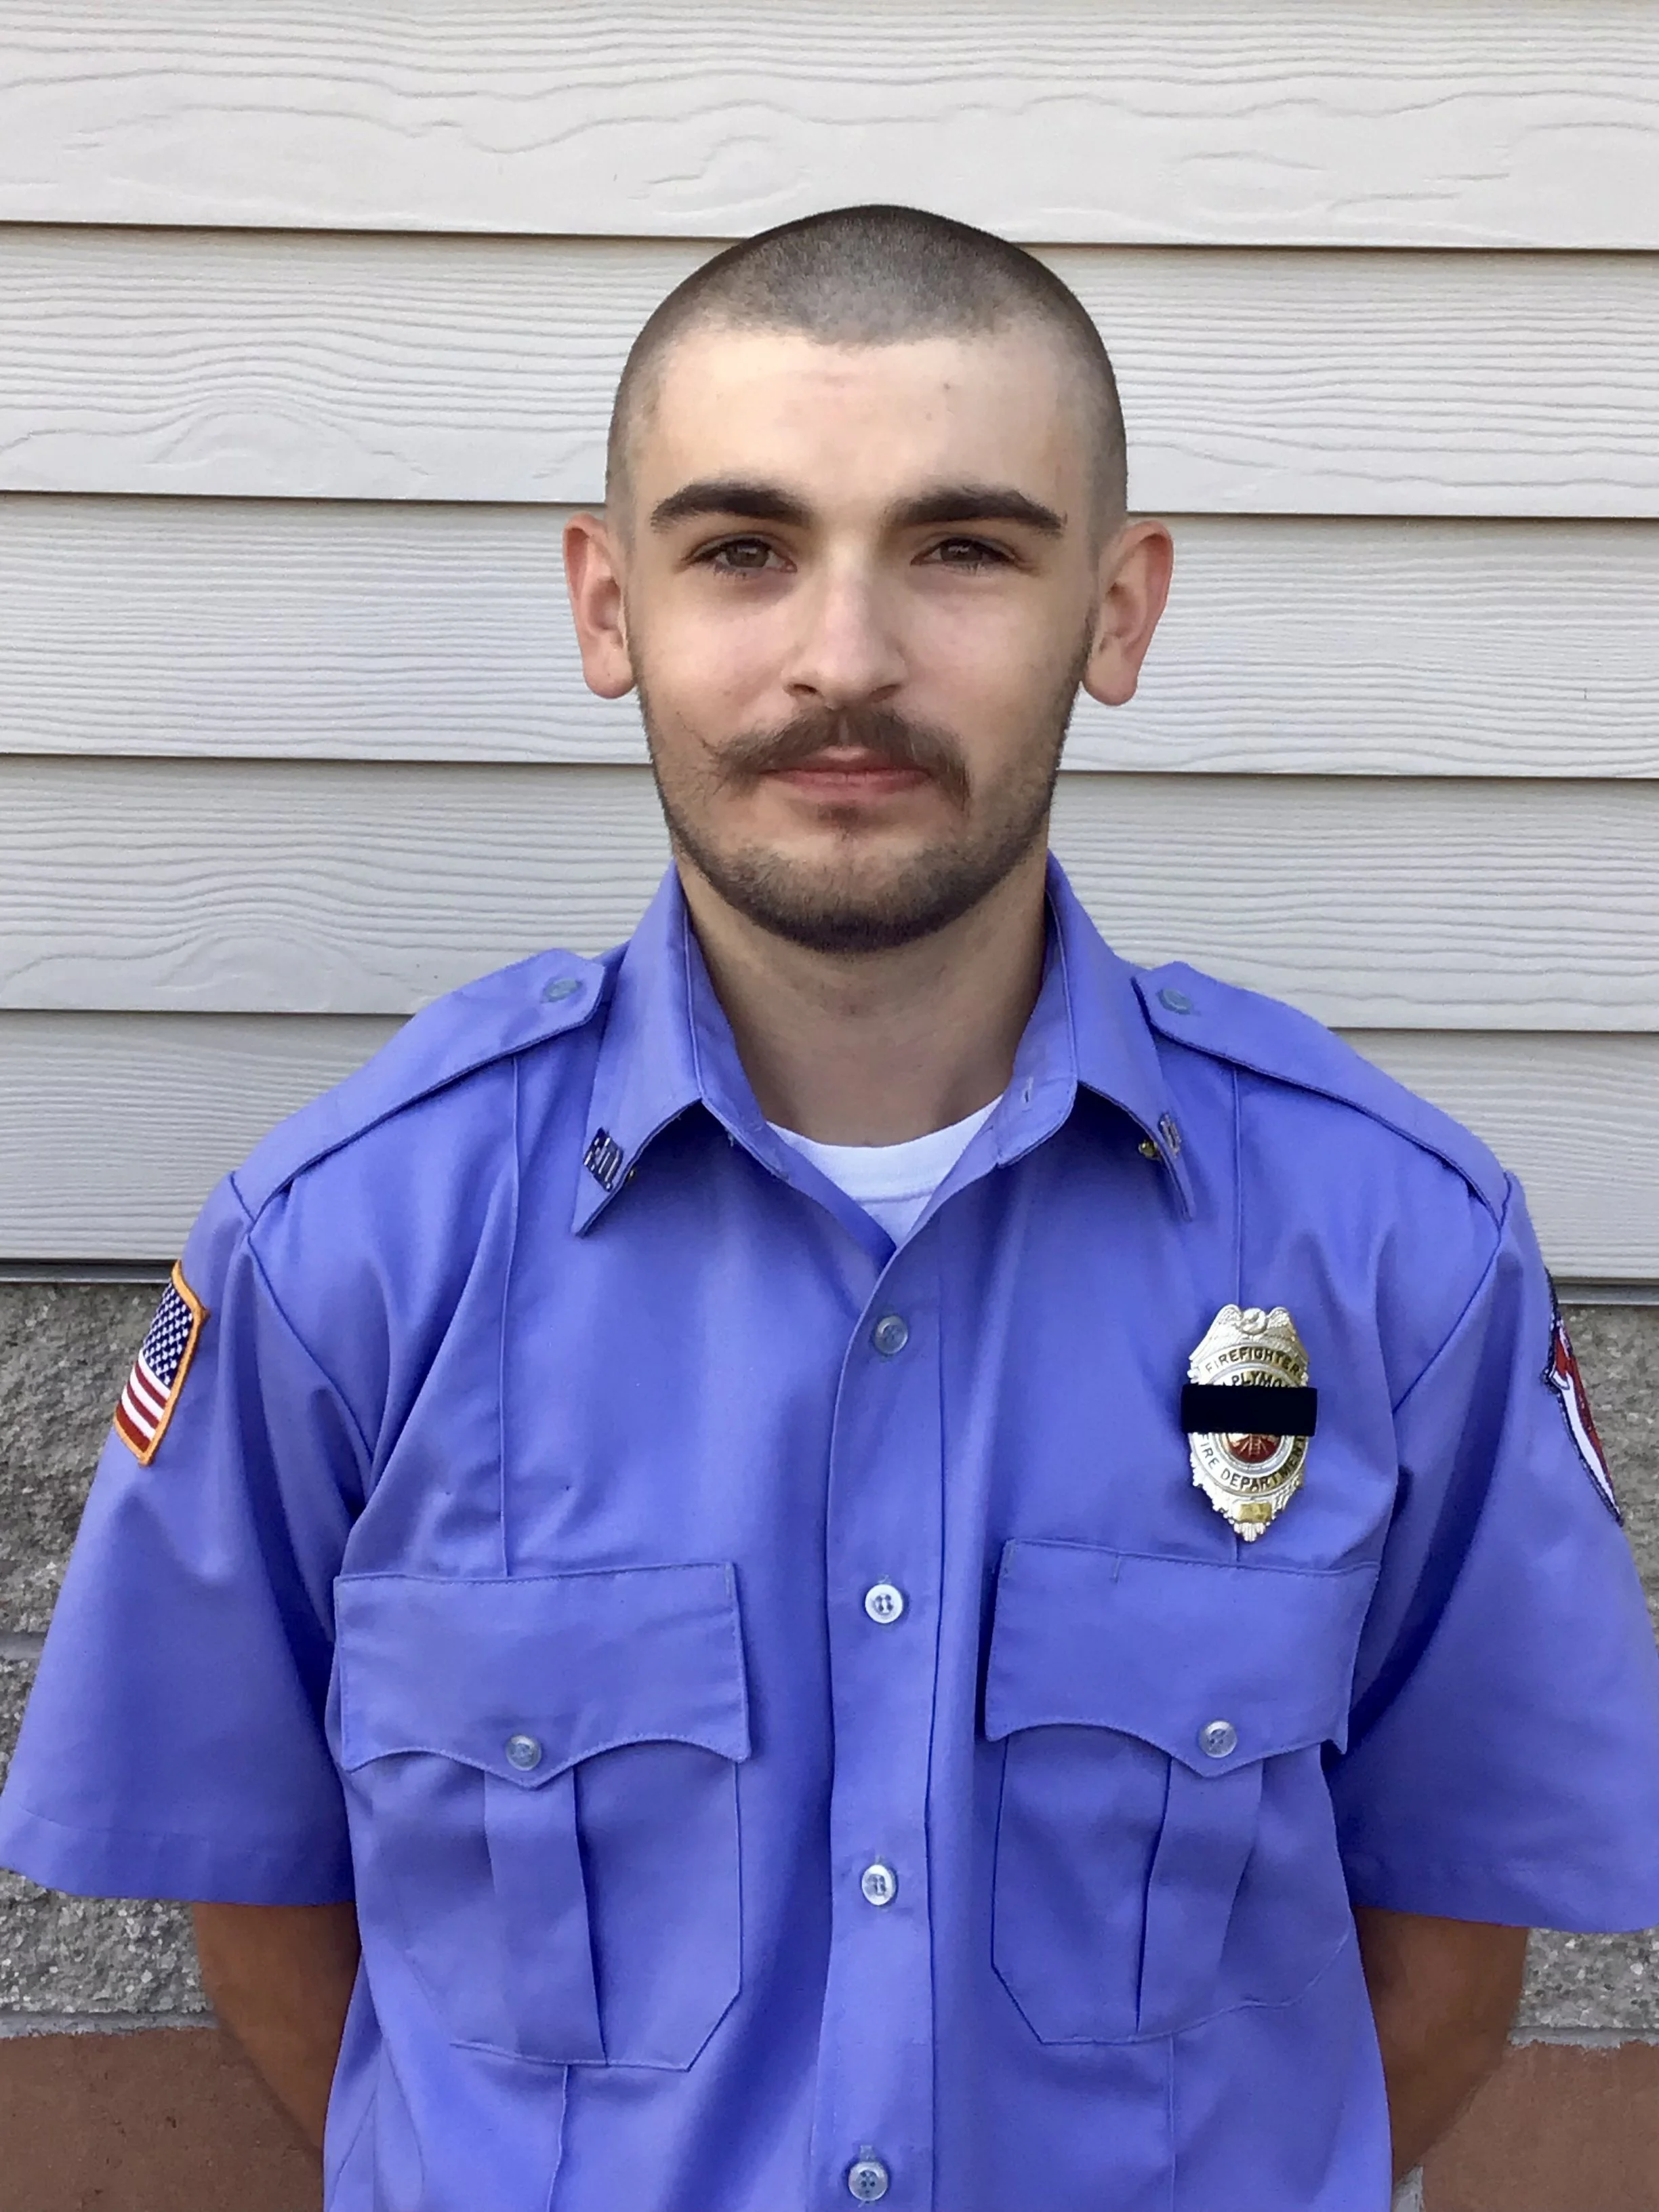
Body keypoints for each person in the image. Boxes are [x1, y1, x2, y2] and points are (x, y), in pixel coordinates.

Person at [2, 203, 1656, 2212]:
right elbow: (272, 1922)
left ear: (1118, 612)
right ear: (607, 605)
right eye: (741, 550)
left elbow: (1444, 1946)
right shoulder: (345, 1256)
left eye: (963, 549)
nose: (846, 660)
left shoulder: (1400, 1256)